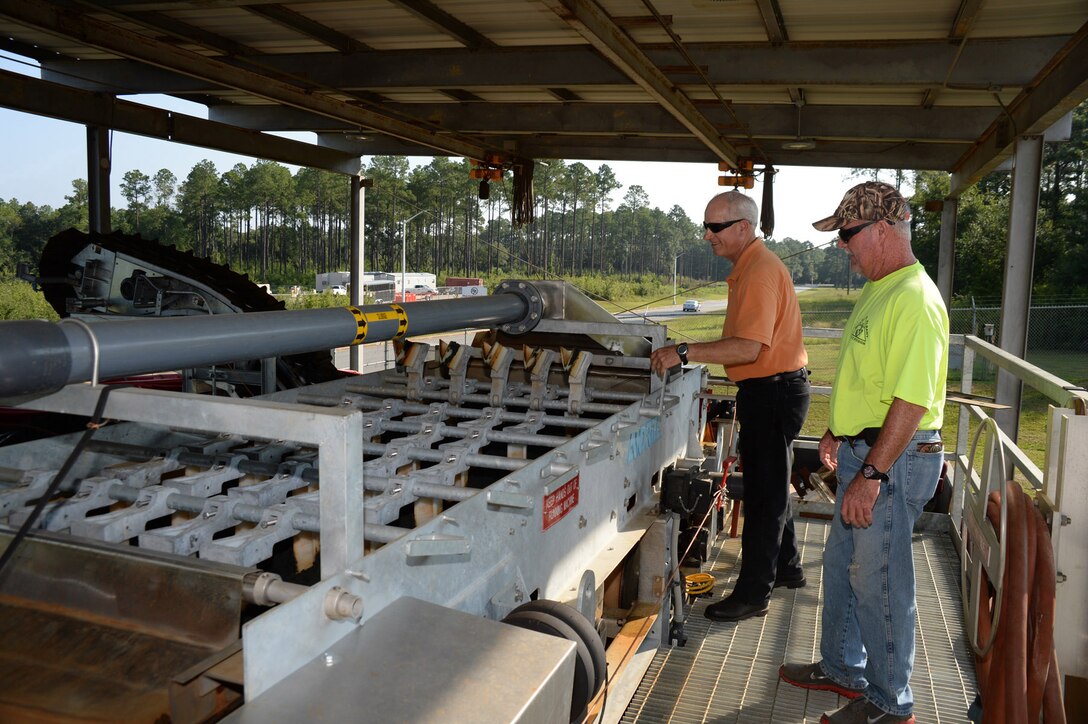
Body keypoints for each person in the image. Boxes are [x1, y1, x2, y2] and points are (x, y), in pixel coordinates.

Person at [778, 181, 949, 724]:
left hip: (892, 460)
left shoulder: (915, 298)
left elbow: (913, 399)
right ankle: (843, 667)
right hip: (863, 449)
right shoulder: (882, 287)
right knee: (844, 567)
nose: (841, 246)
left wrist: (872, 472)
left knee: (879, 582)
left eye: (847, 234)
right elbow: (869, 377)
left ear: (883, 228)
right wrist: (837, 431)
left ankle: (890, 704)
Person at [650, 190, 809, 623]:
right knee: (771, 483)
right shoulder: (752, 267)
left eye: (715, 227)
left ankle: (754, 594)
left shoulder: (758, 272)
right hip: (774, 390)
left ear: (743, 227)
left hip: (772, 392)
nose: (707, 235)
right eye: (706, 226)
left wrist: (684, 352)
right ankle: (788, 568)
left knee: (763, 497)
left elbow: (748, 347)